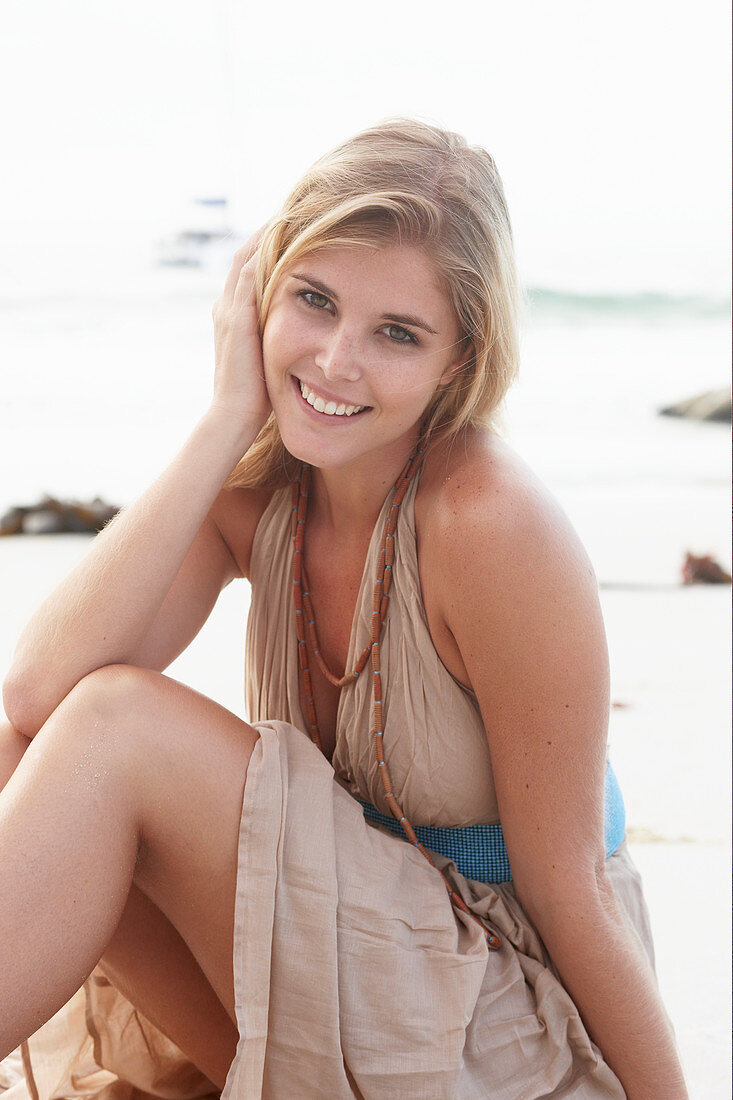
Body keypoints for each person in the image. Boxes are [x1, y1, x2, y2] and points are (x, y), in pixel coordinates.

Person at [0, 118, 688, 1099]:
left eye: (396, 333)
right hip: (350, 975)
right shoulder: (257, 489)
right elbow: (35, 691)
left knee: (117, 724)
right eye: (312, 300)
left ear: (458, 359)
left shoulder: (487, 520)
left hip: (493, 1021)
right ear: (258, 293)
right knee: (32, 751)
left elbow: (567, 885)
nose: (333, 360)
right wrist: (226, 415)